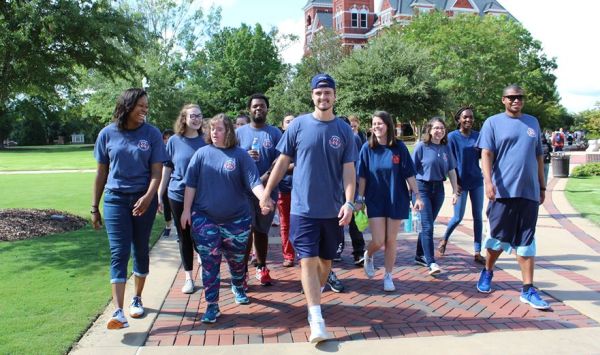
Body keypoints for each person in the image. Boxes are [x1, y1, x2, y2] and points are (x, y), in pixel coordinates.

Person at [259, 73, 357, 343]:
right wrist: (266, 193)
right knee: (308, 261)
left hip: (333, 210)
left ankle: (315, 293)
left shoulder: (344, 130)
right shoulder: (298, 126)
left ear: (335, 96)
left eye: (328, 93)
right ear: (312, 95)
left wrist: (349, 202)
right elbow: (281, 162)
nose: (323, 97)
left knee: (325, 263)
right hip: (302, 209)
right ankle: (317, 318)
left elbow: (349, 171)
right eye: (318, 93)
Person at [181, 114, 269, 323]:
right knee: (210, 264)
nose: (214, 132)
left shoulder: (240, 155)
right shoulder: (202, 154)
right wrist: (186, 210)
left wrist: (264, 199)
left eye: (219, 129)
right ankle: (212, 305)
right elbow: (190, 184)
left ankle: (238, 285)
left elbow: (254, 182)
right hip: (205, 219)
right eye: (212, 129)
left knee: (237, 262)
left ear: (228, 131)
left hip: (237, 221)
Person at [91, 88, 167, 329]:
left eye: (147, 105)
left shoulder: (152, 134)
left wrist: (148, 197)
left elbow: (157, 172)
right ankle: (118, 312)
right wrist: (95, 207)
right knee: (119, 252)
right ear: (127, 106)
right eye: (141, 106)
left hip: (143, 199)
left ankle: (138, 298)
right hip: (115, 199)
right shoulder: (107, 134)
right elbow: (101, 172)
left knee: (140, 249)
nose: (145, 110)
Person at [475, 85, 550, 310]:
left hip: (529, 193)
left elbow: (538, 155)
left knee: (527, 243)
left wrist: (542, 186)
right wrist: (488, 182)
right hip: (503, 192)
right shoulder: (492, 123)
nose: (516, 101)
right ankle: (488, 271)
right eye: (512, 98)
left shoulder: (533, 123)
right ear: (503, 100)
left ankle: (528, 289)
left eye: (520, 98)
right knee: (497, 240)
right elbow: (486, 153)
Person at [357, 111, 423, 291]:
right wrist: (359, 199)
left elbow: (409, 173)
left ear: (388, 126)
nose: (377, 126)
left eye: (380, 123)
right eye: (374, 123)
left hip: (396, 197)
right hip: (375, 198)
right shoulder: (367, 148)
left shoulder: (399, 147)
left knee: (391, 240)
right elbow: (362, 176)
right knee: (378, 240)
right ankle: (368, 254)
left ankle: (388, 276)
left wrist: (417, 195)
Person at [157, 104, 206, 294]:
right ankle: (188, 277)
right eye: (192, 116)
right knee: (184, 236)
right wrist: (160, 194)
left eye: (199, 116)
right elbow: (167, 169)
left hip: (201, 196)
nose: (196, 119)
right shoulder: (174, 141)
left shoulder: (206, 140)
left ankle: (204, 265)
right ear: (184, 118)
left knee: (201, 234)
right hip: (177, 194)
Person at [236, 94, 282, 286]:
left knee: (261, 230)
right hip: (244, 192)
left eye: (262, 106)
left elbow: (281, 160)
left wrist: (265, 178)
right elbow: (232, 158)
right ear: (250, 109)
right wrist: (245, 155)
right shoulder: (239, 133)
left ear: (267, 109)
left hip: (268, 191)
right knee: (246, 231)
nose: (258, 109)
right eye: (255, 106)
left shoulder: (275, 133)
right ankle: (243, 271)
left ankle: (262, 267)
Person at [412, 117, 459, 276]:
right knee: (428, 227)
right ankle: (431, 262)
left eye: (442, 128)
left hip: (438, 189)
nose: (439, 131)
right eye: (436, 128)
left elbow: (451, 170)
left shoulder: (446, 148)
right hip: (421, 188)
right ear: (430, 130)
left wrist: (454, 191)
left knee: (428, 224)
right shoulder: (421, 147)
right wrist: (414, 195)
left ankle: (420, 255)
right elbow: (410, 172)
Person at [438, 107, 485, 264]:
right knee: (458, 217)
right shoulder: (452, 137)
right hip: (460, 183)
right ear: (458, 119)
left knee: (478, 216)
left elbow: (485, 156)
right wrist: (454, 183)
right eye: (465, 117)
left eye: (471, 117)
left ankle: (478, 252)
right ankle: (444, 239)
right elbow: (448, 162)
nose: (468, 120)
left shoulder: (478, 136)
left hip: (476, 181)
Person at [337, 116, 366, 266]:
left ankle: (359, 251)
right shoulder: (333, 138)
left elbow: (359, 164)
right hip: (335, 186)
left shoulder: (354, 139)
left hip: (351, 185)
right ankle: (337, 248)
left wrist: (360, 191)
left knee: (353, 219)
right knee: (337, 218)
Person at [278, 114, 296, 267]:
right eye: (287, 121)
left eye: (293, 121)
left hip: (302, 190)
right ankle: (288, 255)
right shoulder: (279, 143)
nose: (291, 124)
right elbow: (276, 166)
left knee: (302, 223)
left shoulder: (302, 139)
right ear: (283, 126)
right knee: (285, 224)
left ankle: (303, 254)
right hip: (284, 188)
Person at [160, 129, 175, 237]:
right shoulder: (160, 150)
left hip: (174, 181)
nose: (167, 140)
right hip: (164, 180)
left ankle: (180, 230)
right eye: (165, 138)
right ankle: (168, 226)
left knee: (175, 205)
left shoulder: (176, 148)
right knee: (166, 205)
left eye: (169, 137)